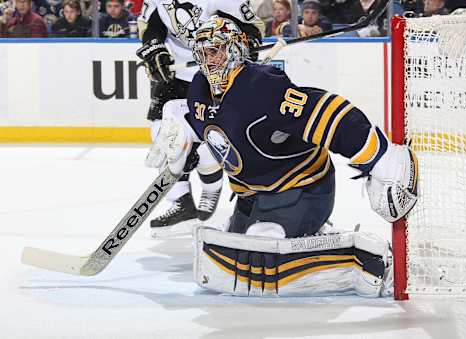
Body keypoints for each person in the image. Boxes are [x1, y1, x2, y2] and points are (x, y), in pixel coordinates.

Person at [152, 16, 418, 297]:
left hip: (301, 189)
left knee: (263, 249)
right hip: (250, 197)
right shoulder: (199, 87)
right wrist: (183, 133)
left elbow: (328, 114)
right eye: (203, 53)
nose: (209, 61)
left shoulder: (262, 87)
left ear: (235, 51)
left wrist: (382, 157)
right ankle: (306, 237)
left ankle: (362, 261)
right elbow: (208, 121)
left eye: (215, 50)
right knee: (236, 248)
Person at [135, 0, 263, 238]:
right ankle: (182, 203)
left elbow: (250, 26)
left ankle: (211, 187)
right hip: (173, 72)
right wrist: (154, 48)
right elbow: (150, 24)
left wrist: (250, 40)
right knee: (163, 137)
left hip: (213, 74)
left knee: (209, 143)